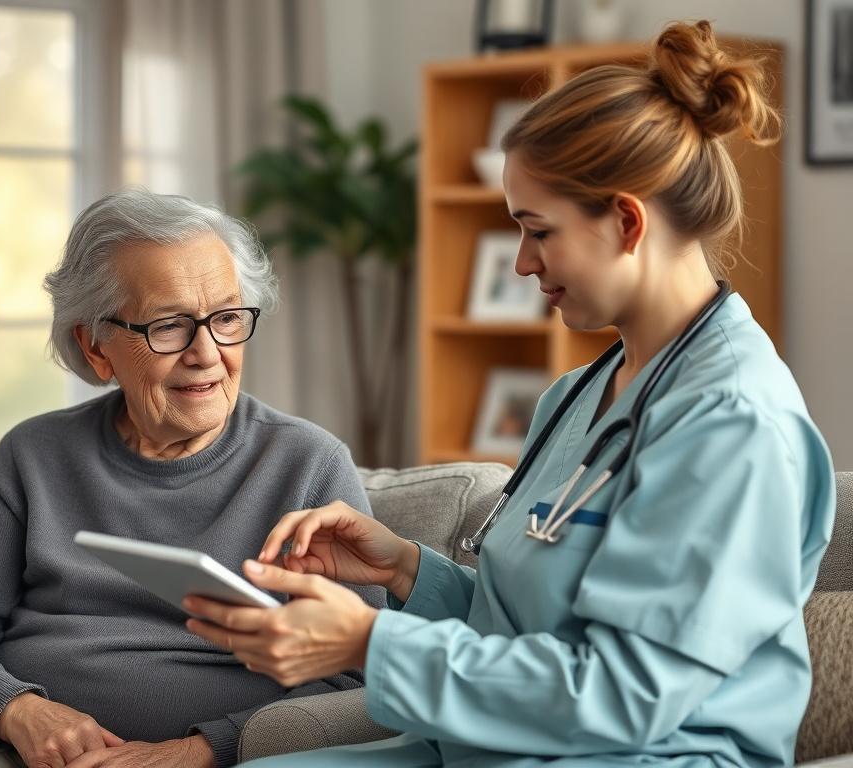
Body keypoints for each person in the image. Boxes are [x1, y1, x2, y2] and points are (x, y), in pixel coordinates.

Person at [184, 21, 836, 767]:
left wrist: (368, 640)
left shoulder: (733, 425)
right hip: (504, 747)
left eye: (538, 231)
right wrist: (403, 569)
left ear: (626, 222)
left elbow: (623, 697)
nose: (521, 262)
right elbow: (530, 634)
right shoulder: (577, 396)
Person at [0, 189, 384, 768]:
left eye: (227, 318)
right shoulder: (33, 455)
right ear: (96, 347)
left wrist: (194, 752)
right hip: (23, 746)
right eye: (169, 326)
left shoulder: (308, 464)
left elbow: (354, 676)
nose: (207, 353)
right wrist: (16, 710)